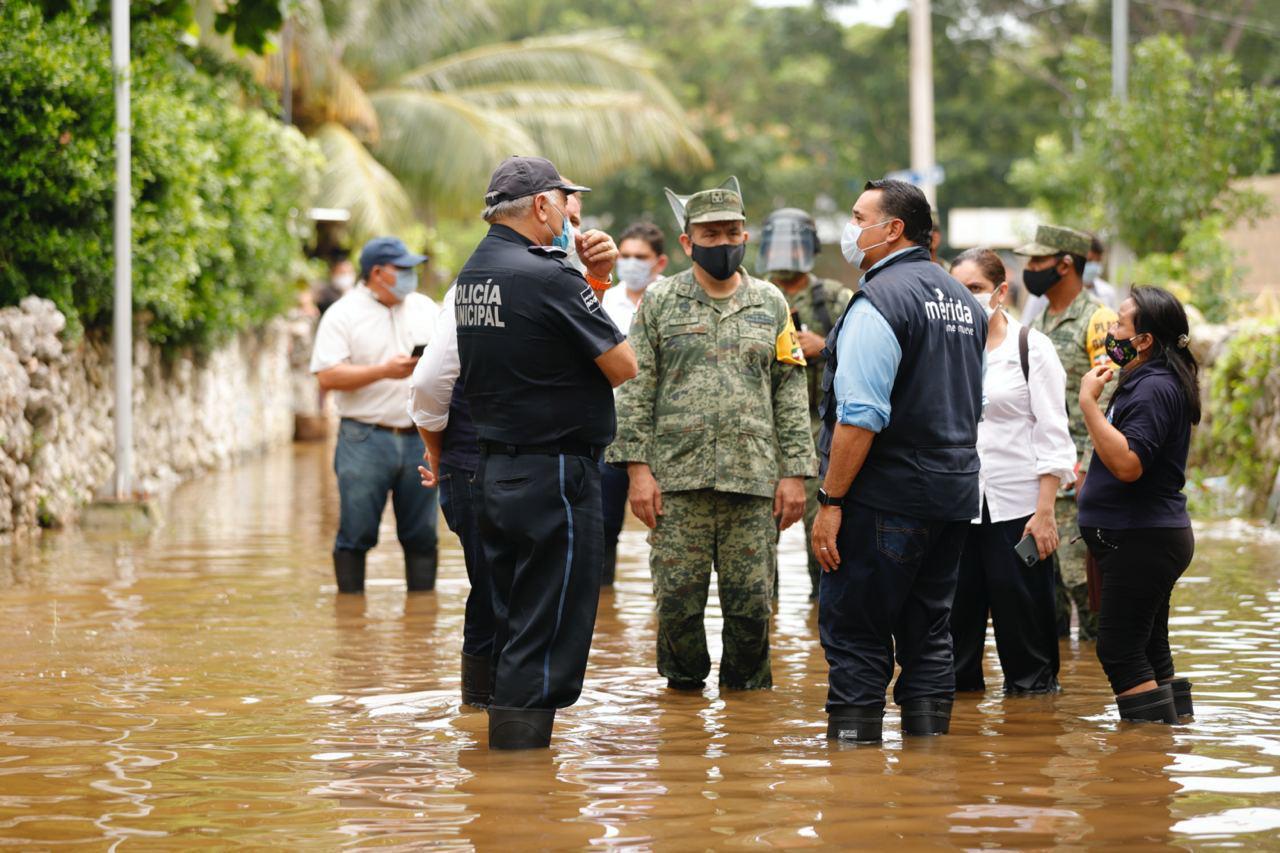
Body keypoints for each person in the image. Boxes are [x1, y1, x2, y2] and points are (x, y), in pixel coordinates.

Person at [420, 155, 636, 749]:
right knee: (547, 629)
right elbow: (623, 365)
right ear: (541, 206)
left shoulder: (473, 274)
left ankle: (498, 778)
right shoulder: (549, 275)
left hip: (495, 471)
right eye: (564, 205)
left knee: (514, 616)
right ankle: (521, 778)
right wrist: (588, 281)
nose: (568, 218)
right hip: (554, 475)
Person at [608, 177, 814, 693]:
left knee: (752, 607)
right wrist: (637, 471)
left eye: (731, 233)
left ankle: (747, 716)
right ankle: (683, 711)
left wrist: (795, 475)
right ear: (687, 242)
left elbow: (790, 391)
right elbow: (635, 387)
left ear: (745, 236)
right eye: (710, 234)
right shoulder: (660, 301)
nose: (723, 243)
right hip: (677, 482)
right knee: (676, 604)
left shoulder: (771, 303)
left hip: (752, 483)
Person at [811, 179, 986, 743]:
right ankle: (925, 774)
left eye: (858, 217)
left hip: (885, 498)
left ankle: (855, 777)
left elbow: (860, 416)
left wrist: (831, 500)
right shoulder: (966, 303)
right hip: (952, 496)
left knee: (856, 636)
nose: (850, 228)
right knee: (929, 635)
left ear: (892, 229)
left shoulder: (879, 301)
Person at [947, 249, 1076, 696]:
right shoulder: (943, 351)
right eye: (958, 290)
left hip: (1019, 511)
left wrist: (1045, 513)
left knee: (1028, 647)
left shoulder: (1031, 348)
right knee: (953, 647)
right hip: (958, 510)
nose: (967, 298)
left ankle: (1032, 729)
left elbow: (1053, 433)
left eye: (976, 289)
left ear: (1001, 292)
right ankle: (959, 733)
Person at [1078, 286, 1200, 723]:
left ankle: (1144, 758)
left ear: (1144, 340)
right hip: (1145, 536)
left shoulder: (1153, 387)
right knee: (1149, 647)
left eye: (1120, 323)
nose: (1111, 330)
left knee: (1120, 650)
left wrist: (1088, 405)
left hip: (1141, 538)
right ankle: (1172, 743)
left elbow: (1130, 464)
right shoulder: (1152, 380)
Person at [310, 237, 440, 593]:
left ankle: (421, 616)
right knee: (356, 533)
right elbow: (327, 376)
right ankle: (350, 614)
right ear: (378, 273)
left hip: (420, 438)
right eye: (404, 268)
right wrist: (384, 371)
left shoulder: (426, 308)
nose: (412, 275)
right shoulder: (343, 313)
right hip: (364, 438)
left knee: (423, 535)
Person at [1013, 225, 1118, 643]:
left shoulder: (1099, 320)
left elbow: (1111, 400)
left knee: (1087, 592)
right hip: (1042, 478)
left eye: (1038, 260)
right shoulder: (1039, 321)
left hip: (1081, 478)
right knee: (1045, 596)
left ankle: (1098, 677)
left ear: (1065, 264)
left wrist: (1091, 468)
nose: (1030, 268)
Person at [757, 207, 853, 598]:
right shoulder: (754, 296)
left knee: (825, 547)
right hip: (763, 438)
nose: (786, 253)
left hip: (821, 435)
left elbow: (869, 355)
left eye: (794, 244)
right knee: (757, 555)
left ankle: (821, 622)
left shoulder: (834, 297)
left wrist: (826, 346)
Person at [598, 222, 669, 586]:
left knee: (668, 525)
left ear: (659, 261)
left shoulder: (673, 300)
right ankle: (603, 604)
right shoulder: (602, 301)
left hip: (663, 435)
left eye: (639, 257)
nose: (630, 263)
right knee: (602, 526)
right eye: (624, 256)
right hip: (609, 431)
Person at [1021, 232, 1119, 325]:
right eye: (1089, 261)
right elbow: (1026, 324)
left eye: (1039, 260)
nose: (1030, 266)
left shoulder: (1102, 310)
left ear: (1065, 265)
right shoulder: (1046, 291)